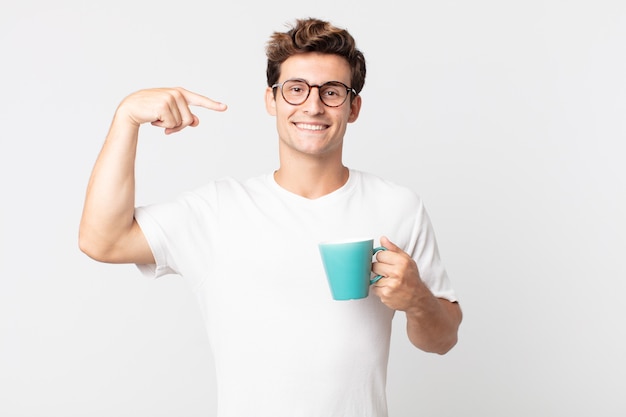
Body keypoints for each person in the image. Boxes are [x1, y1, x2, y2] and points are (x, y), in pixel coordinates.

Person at [79, 17, 462, 417]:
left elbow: (443, 339)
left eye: (332, 92)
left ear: (354, 107)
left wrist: (417, 298)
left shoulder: (397, 206)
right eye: (296, 89)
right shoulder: (219, 211)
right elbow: (101, 240)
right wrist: (126, 119)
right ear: (272, 100)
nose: (312, 106)